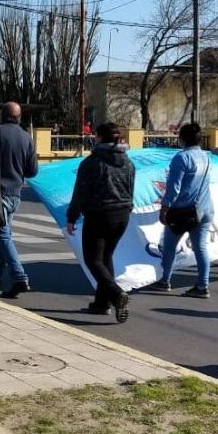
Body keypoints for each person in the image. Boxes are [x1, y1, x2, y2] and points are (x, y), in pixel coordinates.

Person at [66, 123, 134, 322]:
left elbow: (80, 192)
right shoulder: (128, 162)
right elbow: (131, 189)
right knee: (106, 257)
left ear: (100, 138)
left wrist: (71, 217)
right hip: (122, 215)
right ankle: (102, 303)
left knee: (93, 259)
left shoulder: (92, 163)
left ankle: (116, 294)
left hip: (99, 215)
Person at [0, 102, 38, 299]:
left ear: (2, 115)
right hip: (15, 194)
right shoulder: (26, 137)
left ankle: (19, 277)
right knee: (4, 231)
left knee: (3, 235)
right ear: (19, 117)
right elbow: (32, 170)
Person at [150, 123, 214, 298]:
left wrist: (165, 208)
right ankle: (203, 285)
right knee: (200, 247)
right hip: (205, 209)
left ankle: (165, 281)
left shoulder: (182, 158)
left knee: (169, 246)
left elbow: (174, 188)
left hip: (183, 211)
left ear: (182, 138)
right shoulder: (207, 157)